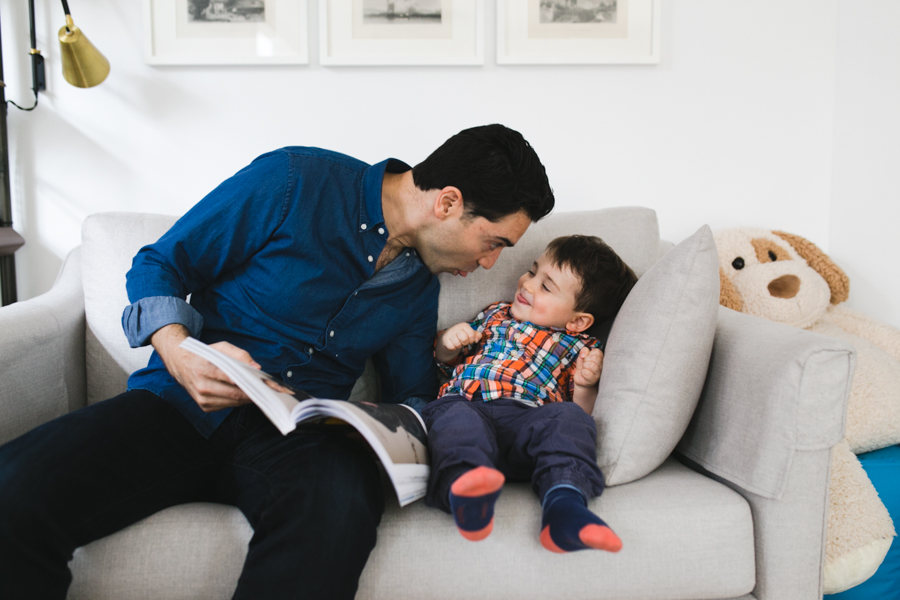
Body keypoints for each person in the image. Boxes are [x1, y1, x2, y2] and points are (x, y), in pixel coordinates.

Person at [0, 124, 554, 600]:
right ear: (449, 203)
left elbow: (412, 398)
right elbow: (162, 264)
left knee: (339, 508)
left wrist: (389, 424)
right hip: (178, 405)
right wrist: (177, 349)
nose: (489, 264)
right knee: (15, 488)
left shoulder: (417, 291)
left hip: (298, 441)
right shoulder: (293, 180)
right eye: (494, 242)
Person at [423, 234, 637, 554]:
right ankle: (468, 490)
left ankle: (564, 506)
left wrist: (584, 386)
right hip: (467, 404)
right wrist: (447, 344)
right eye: (532, 270)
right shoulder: (496, 314)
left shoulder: (582, 348)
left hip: (527, 421)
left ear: (578, 321)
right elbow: (445, 361)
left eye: (546, 286)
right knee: (451, 416)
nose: (528, 283)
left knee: (568, 418)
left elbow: (583, 414)